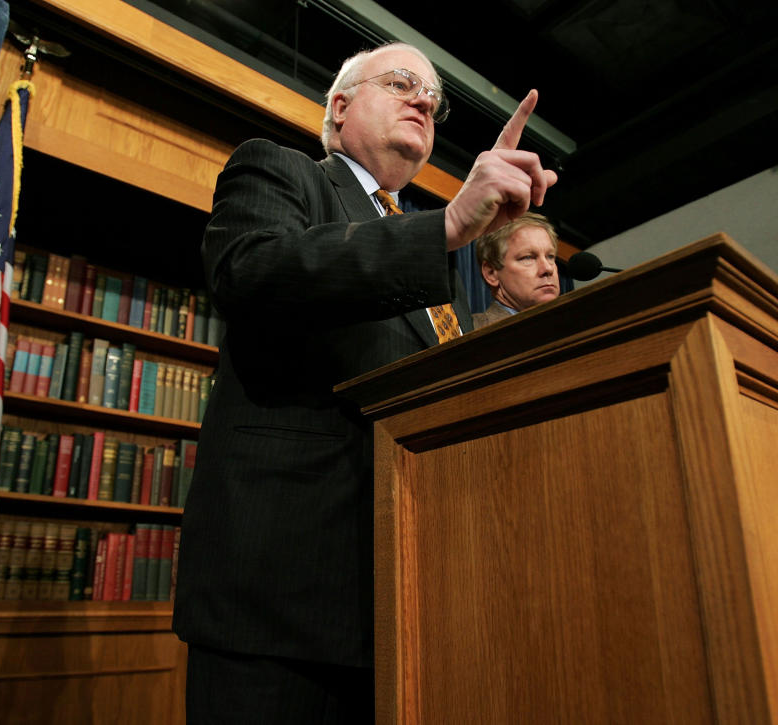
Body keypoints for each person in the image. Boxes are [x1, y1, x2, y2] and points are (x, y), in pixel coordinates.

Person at [173, 40, 557, 724]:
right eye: (404, 83)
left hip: (401, 600)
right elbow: (253, 272)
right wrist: (444, 227)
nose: (423, 101)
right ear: (341, 106)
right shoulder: (282, 170)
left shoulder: (422, 243)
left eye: (433, 100)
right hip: (278, 601)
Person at [471, 212, 561, 328]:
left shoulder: (575, 325)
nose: (548, 269)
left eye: (550, 256)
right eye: (528, 257)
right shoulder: (470, 331)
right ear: (491, 273)